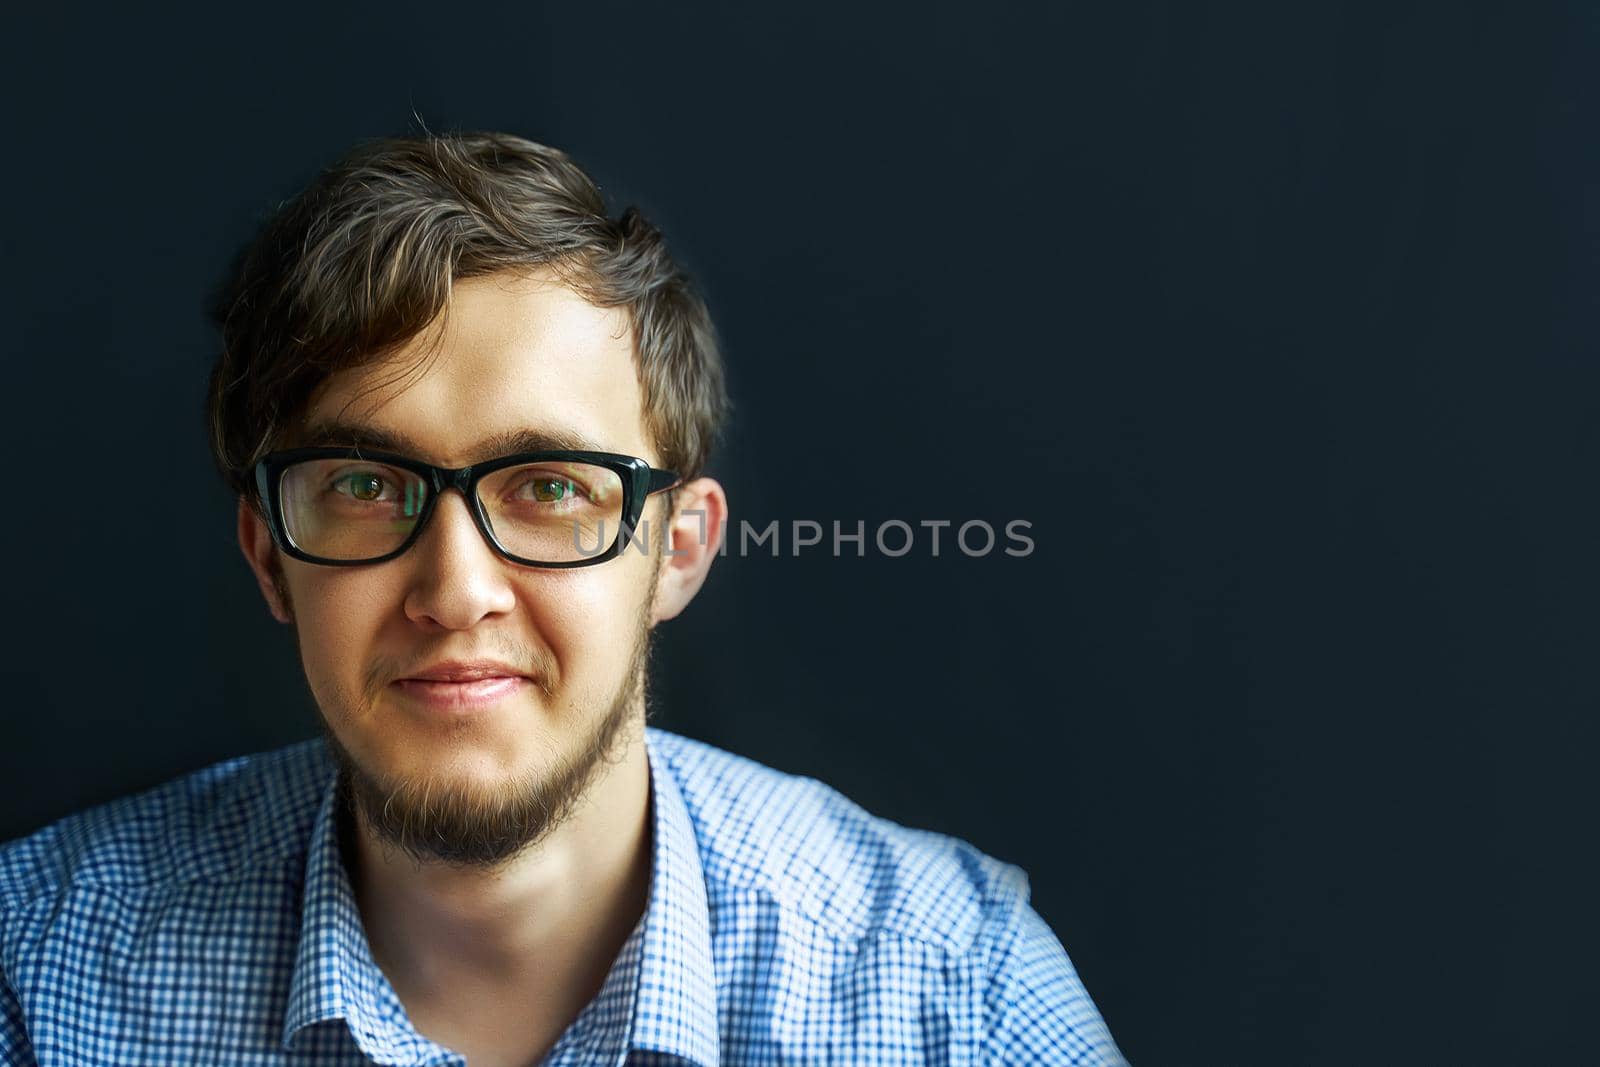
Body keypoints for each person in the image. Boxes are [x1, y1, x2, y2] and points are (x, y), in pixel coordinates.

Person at [0, 131, 1126, 1066]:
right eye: (362, 483)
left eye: (548, 488)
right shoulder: (41, 974)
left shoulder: (954, 997)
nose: (454, 590)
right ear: (266, 556)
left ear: (677, 550)